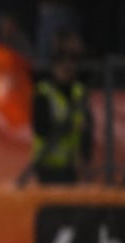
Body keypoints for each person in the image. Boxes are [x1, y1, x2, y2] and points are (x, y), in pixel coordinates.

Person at [17, 33, 92, 186]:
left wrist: (85, 157)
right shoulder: (44, 93)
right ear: (54, 67)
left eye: (71, 63)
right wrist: (71, 126)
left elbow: (88, 129)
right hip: (47, 164)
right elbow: (40, 128)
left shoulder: (79, 92)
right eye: (62, 64)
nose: (67, 68)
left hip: (71, 166)